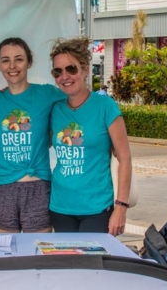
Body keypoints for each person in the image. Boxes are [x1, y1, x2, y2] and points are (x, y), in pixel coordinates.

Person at [48, 36, 132, 234]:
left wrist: (121, 208)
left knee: (91, 255)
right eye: (57, 71)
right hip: (60, 207)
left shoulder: (105, 106)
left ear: (85, 70)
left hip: (97, 208)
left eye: (71, 69)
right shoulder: (55, 109)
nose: (64, 76)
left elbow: (125, 158)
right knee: (67, 255)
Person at [0, 37, 64, 233]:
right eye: (5, 60)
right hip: (2, 188)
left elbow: (78, 101)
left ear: (29, 62)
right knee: (4, 251)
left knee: (37, 251)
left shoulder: (47, 93)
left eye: (19, 59)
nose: (12, 66)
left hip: (39, 187)